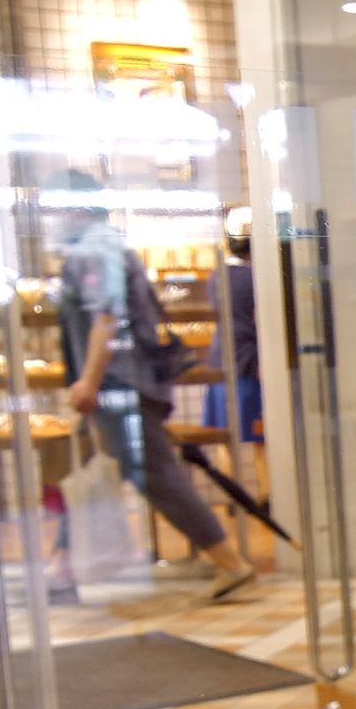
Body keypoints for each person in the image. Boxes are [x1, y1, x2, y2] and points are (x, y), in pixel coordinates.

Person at [49, 171, 257, 602]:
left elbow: (106, 317)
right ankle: (62, 568)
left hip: (120, 384)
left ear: (75, 206)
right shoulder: (103, 245)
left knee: (156, 474)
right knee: (95, 470)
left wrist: (89, 380)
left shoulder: (95, 248)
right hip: (124, 382)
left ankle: (230, 563)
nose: (52, 217)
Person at [203, 208, 264, 464]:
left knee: (225, 439)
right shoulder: (256, 277)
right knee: (261, 438)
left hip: (219, 360)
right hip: (249, 363)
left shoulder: (215, 277)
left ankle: (230, 489)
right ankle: (266, 490)